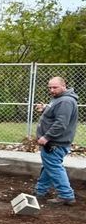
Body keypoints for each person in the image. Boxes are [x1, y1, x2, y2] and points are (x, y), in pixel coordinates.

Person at [34, 76, 78, 206]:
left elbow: (61, 123)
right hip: (54, 142)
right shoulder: (59, 99)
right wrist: (44, 109)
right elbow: (55, 115)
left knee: (54, 167)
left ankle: (66, 195)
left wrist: (46, 137)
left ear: (64, 86)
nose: (52, 90)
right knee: (49, 166)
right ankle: (41, 190)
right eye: (50, 87)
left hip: (55, 143)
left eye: (55, 87)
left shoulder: (65, 101)